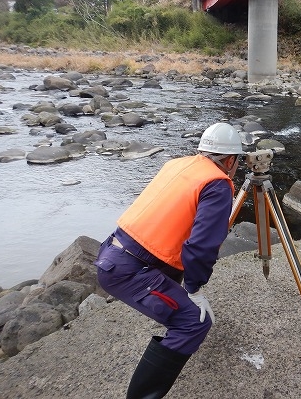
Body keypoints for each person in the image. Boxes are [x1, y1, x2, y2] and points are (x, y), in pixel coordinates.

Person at [94, 122, 243, 399]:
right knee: (194, 322)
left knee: (177, 287)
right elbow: (201, 247)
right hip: (130, 269)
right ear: (231, 160)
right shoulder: (217, 184)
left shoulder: (178, 164)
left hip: (112, 252)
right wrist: (194, 289)